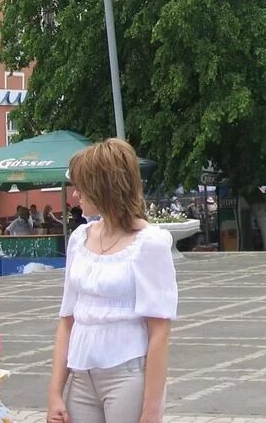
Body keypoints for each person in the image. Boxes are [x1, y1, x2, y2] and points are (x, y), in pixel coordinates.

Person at [47, 138, 178, 423]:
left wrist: (151, 412)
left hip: (127, 376)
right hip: (80, 377)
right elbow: (67, 319)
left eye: (81, 186)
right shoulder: (80, 238)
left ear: (104, 187)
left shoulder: (150, 243)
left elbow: (159, 332)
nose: (75, 194)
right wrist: (55, 393)